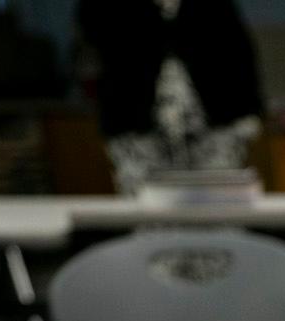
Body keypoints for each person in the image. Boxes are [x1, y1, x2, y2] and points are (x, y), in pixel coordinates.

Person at [76, 0, 264, 195]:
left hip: (214, 125)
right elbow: (93, 36)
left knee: (216, 204)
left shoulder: (213, 7)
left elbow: (238, 53)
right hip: (135, 124)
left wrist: (249, 112)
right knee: (147, 204)